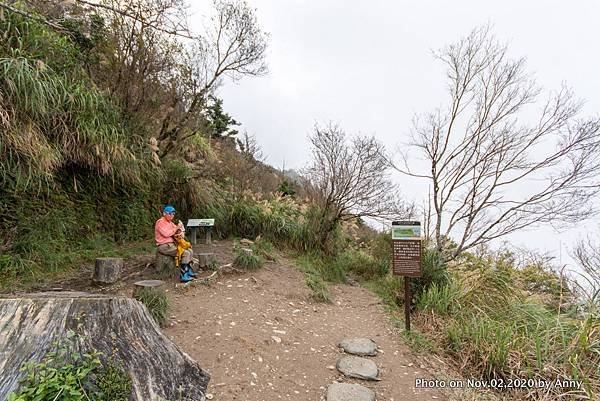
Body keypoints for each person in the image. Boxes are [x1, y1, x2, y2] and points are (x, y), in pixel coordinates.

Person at [155, 205, 196, 282]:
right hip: (164, 246)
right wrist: (177, 228)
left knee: (190, 250)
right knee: (185, 253)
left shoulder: (170, 223)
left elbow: (178, 229)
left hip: (172, 245)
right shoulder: (160, 222)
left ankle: (189, 270)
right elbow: (166, 234)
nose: (172, 216)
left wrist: (181, 232)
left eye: (173, 214)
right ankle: (184, 275)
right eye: (170, 214)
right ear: (164, 213)